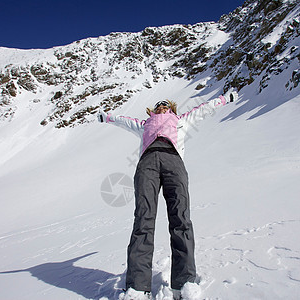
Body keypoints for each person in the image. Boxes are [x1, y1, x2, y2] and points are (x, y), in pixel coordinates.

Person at [98, 94, 232, 298]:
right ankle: (137, 286)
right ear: (152, 110)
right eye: (158, 105)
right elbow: (124, 121)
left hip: (174, 162)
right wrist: (107, 117)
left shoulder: (181, 120)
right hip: (147, 164)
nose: (161, 107)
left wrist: (224, 99)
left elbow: (204, 109)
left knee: (181, 218)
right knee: (144, 219)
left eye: (166, 105)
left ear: (172, 109)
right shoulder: (144, 124)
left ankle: (184, 282)